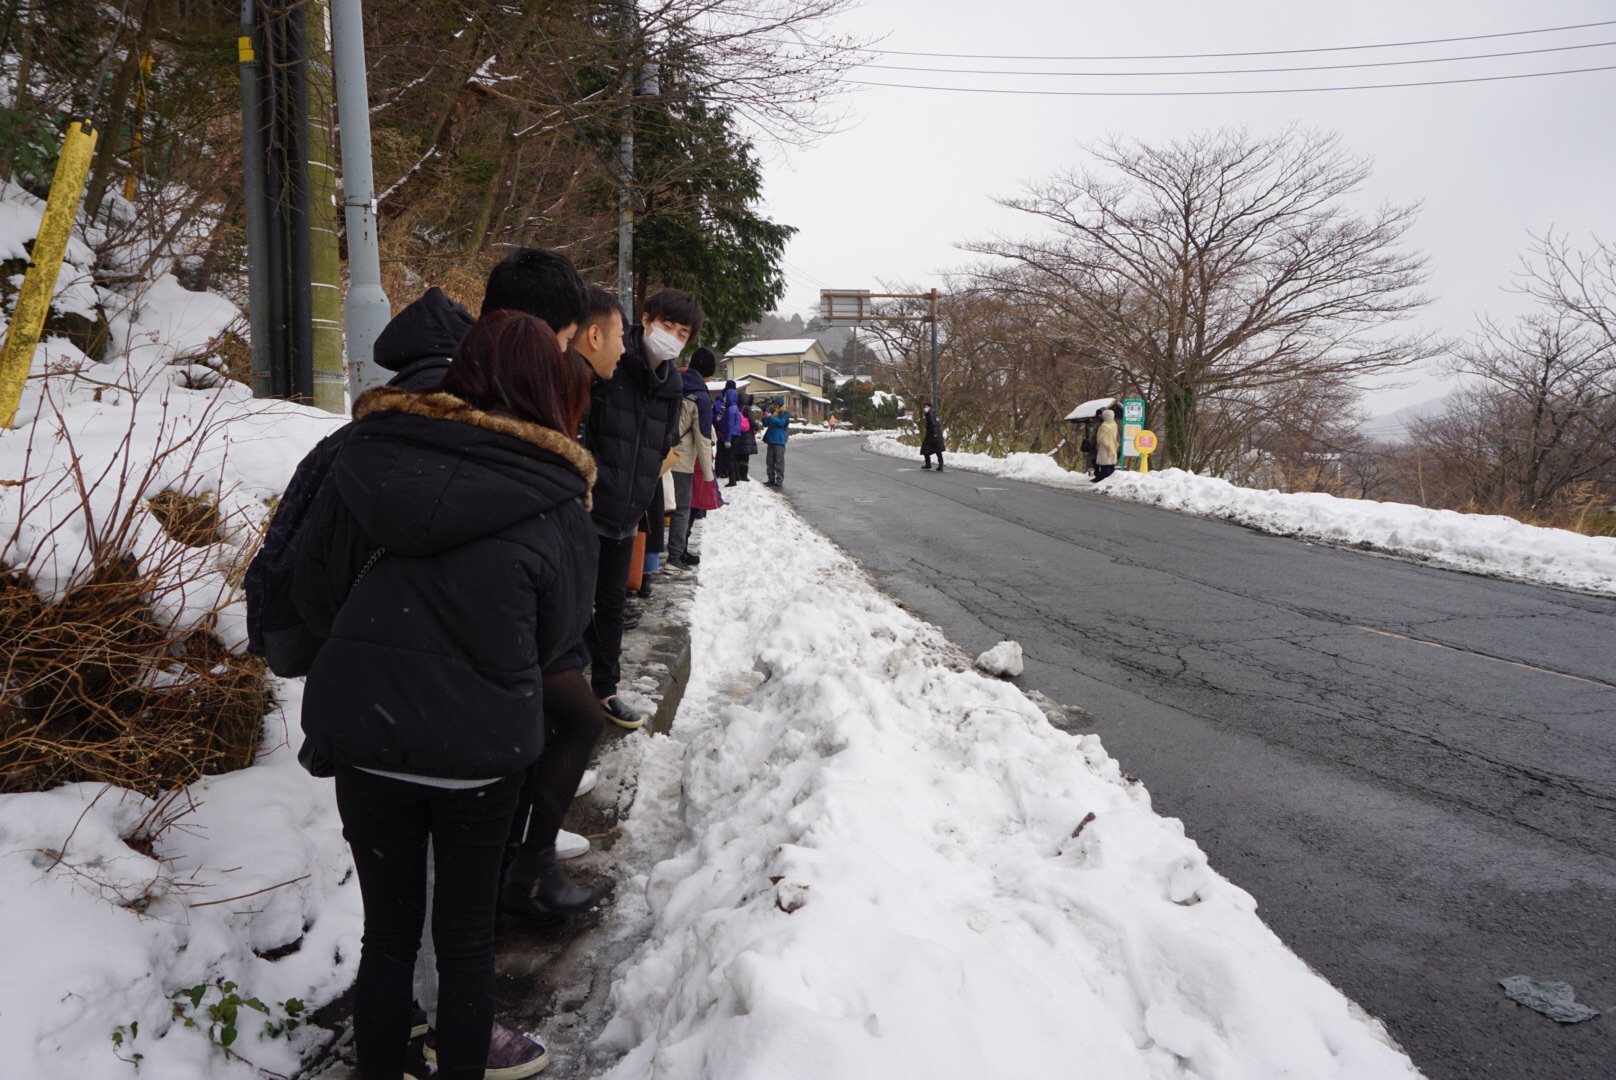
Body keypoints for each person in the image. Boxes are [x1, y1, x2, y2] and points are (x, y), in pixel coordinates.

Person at [293, 310, 596, 1080]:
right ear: (546, 387)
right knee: (462, 941)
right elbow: (561, 635)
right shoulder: (554, 493)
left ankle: (380, 1065)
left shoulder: (370, 456)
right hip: (479, 750)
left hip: (368, 733)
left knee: (386, 938)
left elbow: (320, 588)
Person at [582, 287, 702, 730]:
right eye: (667, 325)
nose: (671, 336)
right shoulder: (610, 365)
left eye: (682, 332)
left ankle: (606, 690)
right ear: (646, 319)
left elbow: (661, 445)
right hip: (586, 507)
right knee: (572, 606)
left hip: (627, 511)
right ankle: (561, 694)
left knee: (613, 604)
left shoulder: (672, 387)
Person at [666, 348, 716, 572]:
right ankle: (674, 558)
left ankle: (646, 568)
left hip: (656, 454)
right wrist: (708, 475)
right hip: (681, 459)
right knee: (681, 509)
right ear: (708, 373)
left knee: (653, 509)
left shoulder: (673, 383)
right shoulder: (701, 396)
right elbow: (703, 438)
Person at [730, 392, 759, 484]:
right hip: (747, 435)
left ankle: (737, 475)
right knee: (745, 457)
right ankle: (744, 476)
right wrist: (756, 427)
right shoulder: (747, 408)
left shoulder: (735, 408)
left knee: (737, 456)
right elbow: (751, 420)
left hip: (737, 434)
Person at [763, 397, 790, 487]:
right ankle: (771, 479)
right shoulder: (773, 413)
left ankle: (779, 480)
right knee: (769, 461)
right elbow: (765, 424)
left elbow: (781, 423)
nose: (775, 406)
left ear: (780, 404)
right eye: (774, 404)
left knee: (779, 461)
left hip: (779, 441)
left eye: (776, 404)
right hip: (770, 440)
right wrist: (764, 417)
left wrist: (770, 417)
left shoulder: (785, 413)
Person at [1095, 408, 1120, 481]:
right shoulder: (1114, 424)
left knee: (1104, 464)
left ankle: (1105, 478)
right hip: (1113, 446)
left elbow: (1100, 437)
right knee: (1111, 464)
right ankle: (1112, 479)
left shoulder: (1103, 426)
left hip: (1104, 446)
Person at [920, 402, 945, 471]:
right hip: (932, 434)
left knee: (928, 449)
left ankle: (929, 464)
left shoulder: (930, 414)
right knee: (937, 449)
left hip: (933, 434)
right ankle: (940, 465)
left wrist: (935, 432)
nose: (925, 408)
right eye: (924, 407)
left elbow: (933, 424)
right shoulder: (931, 413)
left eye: (926, 406)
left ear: (930, 407)